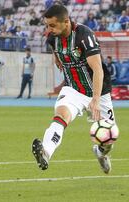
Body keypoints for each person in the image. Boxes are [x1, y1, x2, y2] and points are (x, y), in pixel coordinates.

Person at [31, 5, 118, 174]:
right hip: (74, 90)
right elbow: (54, 48)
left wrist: (96, 100)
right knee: (61, 116)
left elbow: (98, 69)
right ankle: (46, 152)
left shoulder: (85, 36)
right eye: (47, 25)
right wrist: (56, 57)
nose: (49, 29)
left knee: (107, 140)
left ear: (66, 22)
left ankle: (100, 153)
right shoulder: (52, 38)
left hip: (99, 92)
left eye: (52, 25)